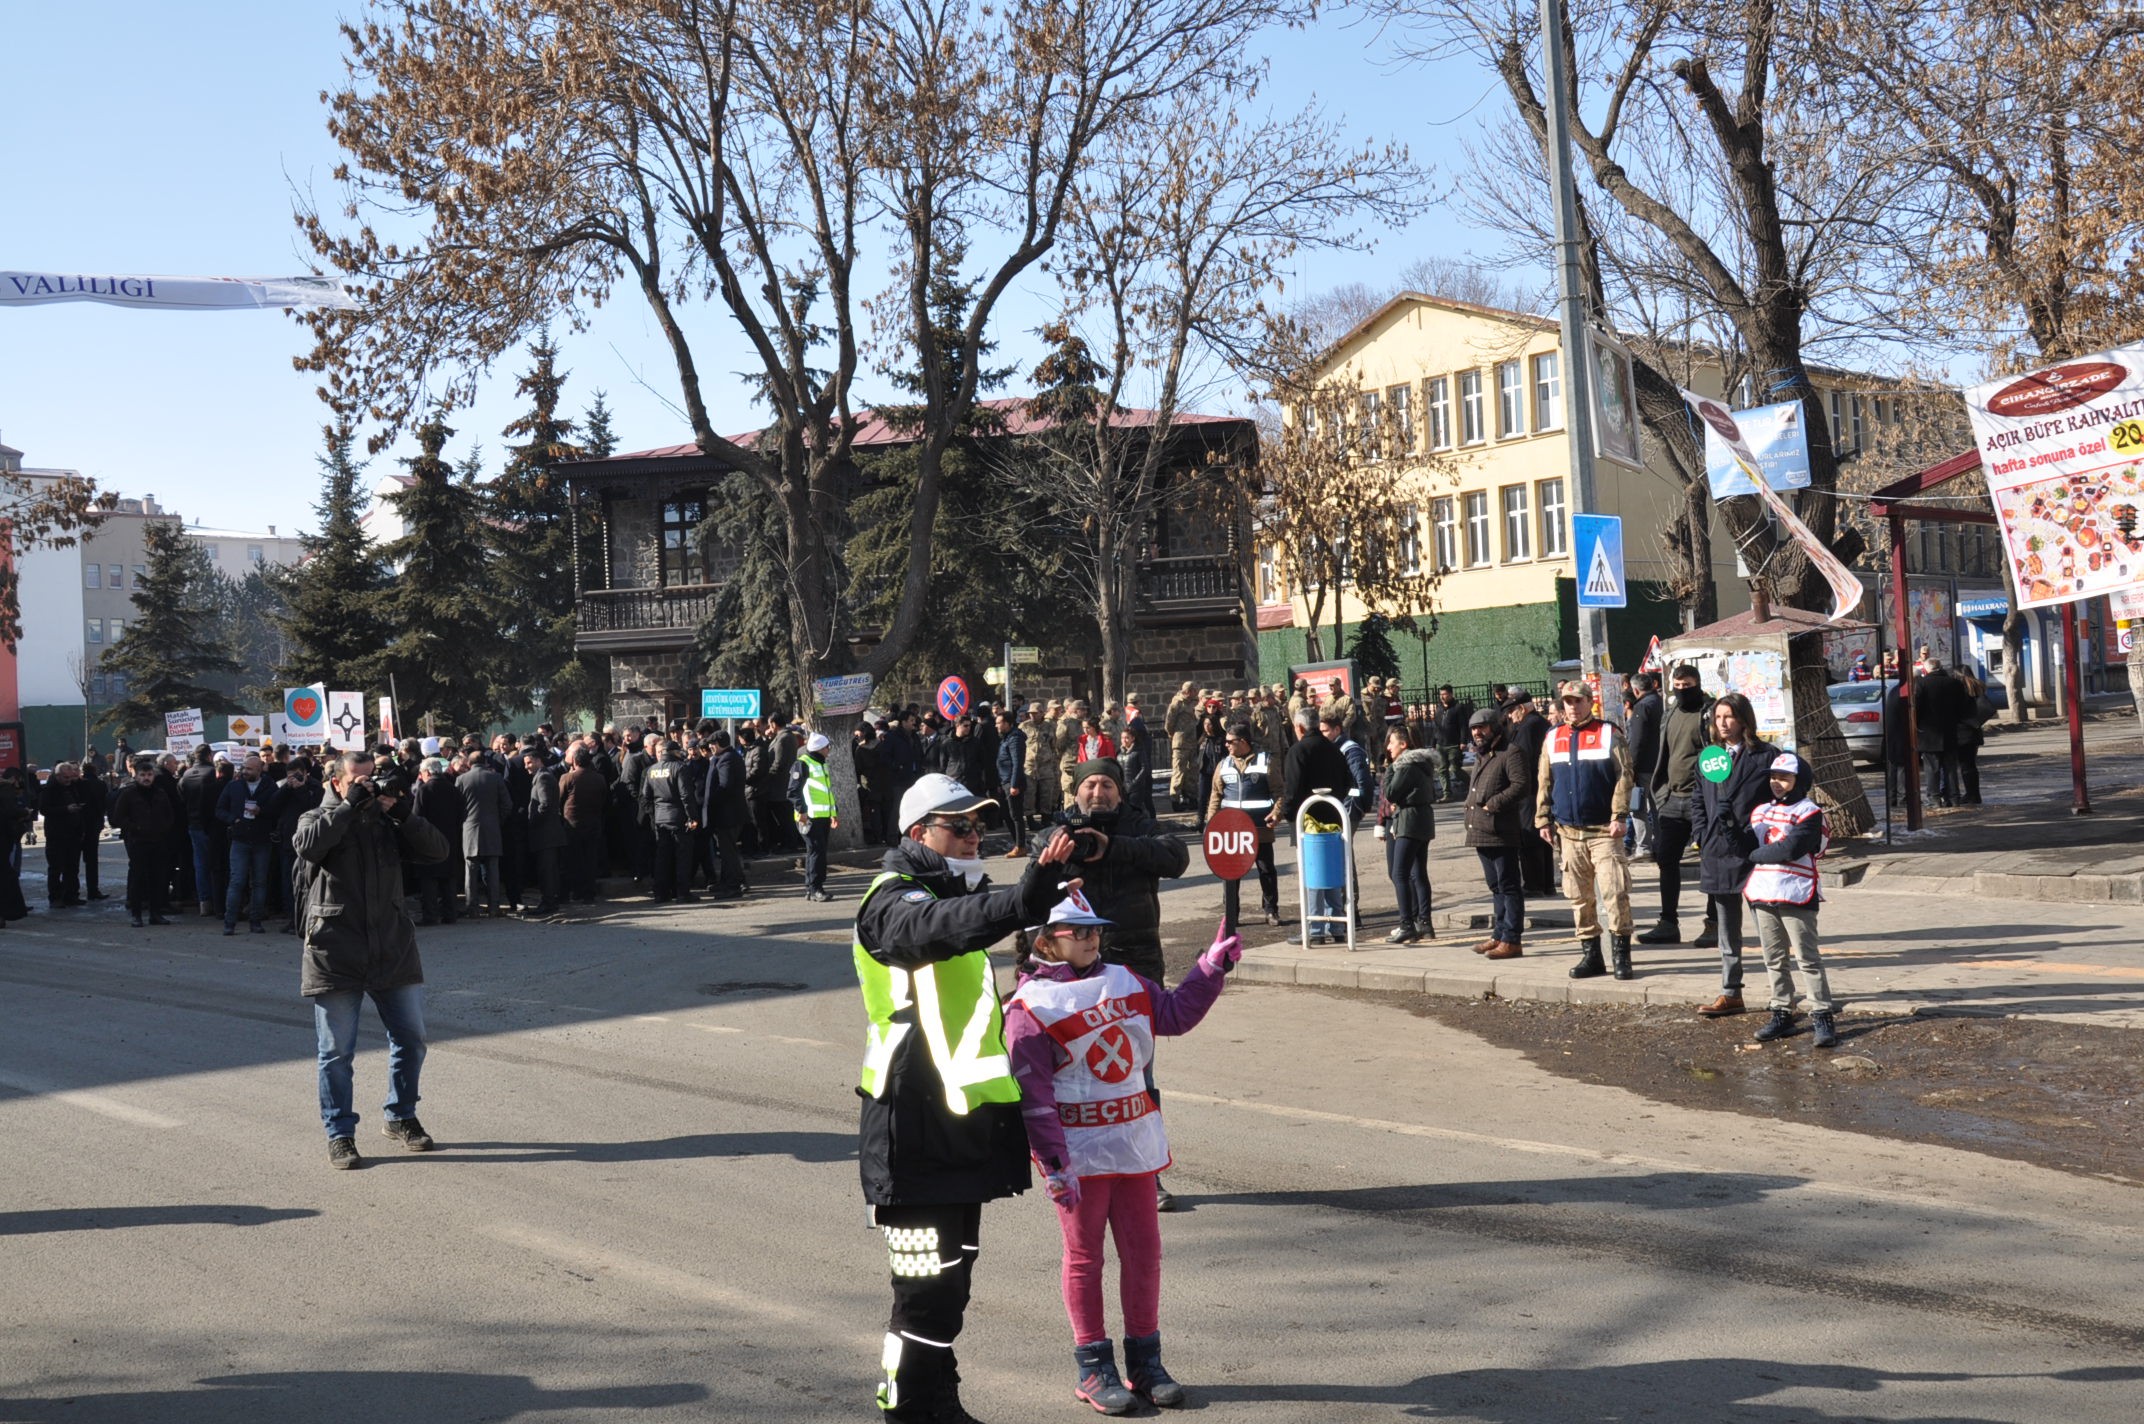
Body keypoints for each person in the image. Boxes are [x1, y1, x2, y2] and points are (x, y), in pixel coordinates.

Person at [852, 772, 1083, 1424]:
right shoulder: (890, 902)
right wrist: (1021, 899)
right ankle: (903, 1413)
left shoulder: (950, 893)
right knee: (924, 1296)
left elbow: (968, 925)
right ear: (917, 833)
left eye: (979, 827)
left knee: (950, 1291)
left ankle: (940, 1406)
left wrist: (1037, 898)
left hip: (959, 1134)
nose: (973, 837)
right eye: (960, 827)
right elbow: (943, 927)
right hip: (909, 1134)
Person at [1005, 894, 1238, 1414]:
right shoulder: (1030, 1007)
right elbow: (1034, 1097)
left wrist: (1210, 967)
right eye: (1078, 932)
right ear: (1046, 941)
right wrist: (1054, 1162)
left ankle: (1146, 1363)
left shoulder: (1126, 980)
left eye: (1094, 931)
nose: (1091, 939)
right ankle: (1092, 1367)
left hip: (1134, 1147)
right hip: (1078, 1157)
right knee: (1086, 1260)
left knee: (1145, 1258)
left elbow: (1175, 1015)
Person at [295, 753, 450, 1169]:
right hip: (335, 949)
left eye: (371, 779)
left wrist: (401, 810)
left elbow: (438, 851)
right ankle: (340, 1133)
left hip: (391, 947)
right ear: (335, 782)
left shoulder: (386, 822)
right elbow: (308, 849)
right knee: (336, 1052)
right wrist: (346, 808)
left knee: (411, 1040)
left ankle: (401, 1116)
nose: (367, 785)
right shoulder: (315, 816)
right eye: (357, 779)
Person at [1034, 759, 1189, 987]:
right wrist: (1056, 845)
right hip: (1072, 965)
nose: (1098, 793)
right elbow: (1029, 898)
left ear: (1119, 793)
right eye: (1090, 785)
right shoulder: (1058, 834)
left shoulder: (1139, 826)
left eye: (1107, 785)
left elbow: (1176, 858)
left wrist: (1114, 847)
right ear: (1076, 793)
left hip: (1135, 963)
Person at [1534, 682, 1636, 980]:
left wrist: (1619, 815)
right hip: (1569, 833)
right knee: (1579, 897)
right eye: (1567, 702)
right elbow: (1544, 780)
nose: (1572, 707)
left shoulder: (1608, 733)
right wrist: (1542, 819)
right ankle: (1591, 956)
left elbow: (1624, 776)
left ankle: (1621, 957)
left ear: (1589, 702)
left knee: (1615, 892)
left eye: (1578, 701)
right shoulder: (1553, 737)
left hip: (1605, 830)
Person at [1744, 751, 1839, 1048]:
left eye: (1784, 778)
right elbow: (1744, 842)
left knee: (1808, 959)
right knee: (1773, 959)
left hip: (1797, 892)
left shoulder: (1810, 812)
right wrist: (1726, 823)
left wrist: (1755, 854)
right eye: (1773, 777)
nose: (1777, 783)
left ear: (1799, 781)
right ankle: (1781, 1012)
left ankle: (1822, 1015)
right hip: (1763, 892)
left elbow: (1791, 848)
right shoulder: (1759, 811)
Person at [1693, 692, 1778, 1018]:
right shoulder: (1710, 757)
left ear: (1744, 719)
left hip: (1755, 851)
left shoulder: (1766, 755)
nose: (1723, 723)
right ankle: (1731, 992)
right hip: (1717, 850)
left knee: (1767, 926)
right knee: (1727, 930)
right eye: (1717, 718)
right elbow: (1698, 799)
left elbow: (1781, 796)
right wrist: (1701, 833)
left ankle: (1780, 994)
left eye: (1728, 716)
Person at [1640, 665, 1716, 948]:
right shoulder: (1670, 712)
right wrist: (1661, 794)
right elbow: (1665, 752)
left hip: (1703, 801)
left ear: (1698, 683)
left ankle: (1714, 923)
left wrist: (1713, 797)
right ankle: (1668, 923)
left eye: (1688, 685)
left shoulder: (1709, 713)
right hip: (1672, 799)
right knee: (1666, 860)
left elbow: (1719, 756)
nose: (1683, 690)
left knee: (1711, 862)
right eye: (1678, 686)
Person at [1270, 706, 1357, 946]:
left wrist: (1285, 814)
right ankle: (1337, 925)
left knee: (1312, 873)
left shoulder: (1298, 750)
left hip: (1307, 820)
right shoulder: (1333, 749)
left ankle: (1315, 928)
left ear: (1299, 727)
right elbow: (1348, 780)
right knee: (1332, 871)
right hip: (1335, 818)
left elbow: (1292, 789)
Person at [1462, 708, 1530, 959]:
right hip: (1480, 829)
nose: (1477, 733)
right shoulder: (1482, 754)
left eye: (1482, 727)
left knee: (1509, 885)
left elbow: (1521, 785)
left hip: (1502, 830)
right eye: (1473, 728)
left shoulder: (1510, 752)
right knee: (1495, 886)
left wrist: (1495, 803)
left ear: (1495, 728)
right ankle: (1499, 934)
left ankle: (1512, 939)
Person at [1206, 721, 1280, 927]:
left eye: (1230, 741)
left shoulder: (1266, 762)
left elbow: (1279, 792)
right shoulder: (1223, 765)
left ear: (1244, 742)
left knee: (1266, 870)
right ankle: (1231, 914)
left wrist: (1277, 813)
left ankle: (1271, 910)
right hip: (1232, 831)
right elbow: (1215, 796)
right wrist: (1211, 823)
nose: (1226, 745)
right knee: (1231, 873)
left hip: (1260, 828)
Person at [1379, 723, 1438, 943]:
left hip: (1409, 822)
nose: (1388, 748)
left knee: (1399, 873)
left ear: (1403, 745)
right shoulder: (1420, 763)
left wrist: (1390, 769)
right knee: (1418, 872)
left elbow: (1392, 792)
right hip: (1422, 820)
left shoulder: (1404, 765)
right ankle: (1425, 923)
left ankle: (1407, 924)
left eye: (1392, 743)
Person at [216, 751, 283, 935]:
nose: (245, 771)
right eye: (244, 767)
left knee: (259, 883)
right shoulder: (234, 786)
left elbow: (277, 810)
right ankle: (230, 922)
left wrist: (262, 811)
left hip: (262, 840)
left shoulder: (270, 787)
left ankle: (256, 920)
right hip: (240, 839)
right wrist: (233, 820)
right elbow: (220, 809)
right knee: (237, 881)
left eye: (250, 769)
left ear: (260, 770)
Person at [109, 756, 176, 927]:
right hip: (138, 842)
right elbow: (117, 818)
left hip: (158, 841)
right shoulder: (128, 794)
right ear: (136, 776)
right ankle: (136, 914)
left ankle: (155, 913)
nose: (146, 778)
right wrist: (135, 827)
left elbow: (169, 815)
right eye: (143, 775)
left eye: (149, 775)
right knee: (138, 879)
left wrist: (163, 828)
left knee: (157, 879)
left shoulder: (160, 793)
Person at [1503, 690, 1554, 897]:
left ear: (1521, 708)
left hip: (1530, 790)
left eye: (1511, 711)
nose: (1509, 716)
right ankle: (1546, 883)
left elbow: (1519, 759)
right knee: (1541, 834)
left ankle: (1534, 883)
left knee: (1529, 836)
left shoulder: (1528, 726)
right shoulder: (1537, 723)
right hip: (1537, 788)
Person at [411, 758, 466, 925]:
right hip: (450, 838)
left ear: (427, 772)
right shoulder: (453, 789)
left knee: (429, 879)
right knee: (448, 877)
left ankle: (431, 915)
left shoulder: (425, 790)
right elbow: (462, 813)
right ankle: (450, 914)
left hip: (429, 839)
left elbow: (417, 815)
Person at [641, 738, 696, 903]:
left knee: (662, 858)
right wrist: (692, 817)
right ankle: (682, 893)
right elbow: (686, 795)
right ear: (674, 753)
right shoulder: (680, 768)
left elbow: (646, 795)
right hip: (678, 818)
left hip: (660, 819)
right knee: (682, 857)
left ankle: (661, 893)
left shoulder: (651, 770)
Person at [457, 748, 511, 917]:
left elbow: (456, 806)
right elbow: (507, 804)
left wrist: (463, 821)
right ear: (486, 762)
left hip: (470, 829)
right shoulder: (495, 778)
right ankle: (494, 907)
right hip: (492, 828)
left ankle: (472, 907)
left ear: (469, 763)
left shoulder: (461, 779)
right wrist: (498, 820)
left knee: (470, 870)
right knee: (493, 869)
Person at [1913, 658, 1969, 808]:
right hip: (1950, 731)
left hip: (1928, 733)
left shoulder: (1921, 684)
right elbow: (1962, 708)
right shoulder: (1954, 683)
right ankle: (1954, 797)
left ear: (1926, 669)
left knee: (1932, 768)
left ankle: (1934, 799)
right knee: (1950, 767)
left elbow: (1916, 708)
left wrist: (1916, 725)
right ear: (1940, 667)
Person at [699, 729, 750, 898]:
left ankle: (733, 886)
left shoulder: (727, 759)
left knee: (728, 852)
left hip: (728, 815)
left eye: (713, 745)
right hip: (727, 814)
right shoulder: (726, 757)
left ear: (720, 744)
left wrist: (711, 800)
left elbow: (725, 786)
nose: (711, 748)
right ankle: (728, 881)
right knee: (728, 850)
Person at [790, 731, 836, 901]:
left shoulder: (821, 764)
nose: (828, 750)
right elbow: (793, 792)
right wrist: (802, 812)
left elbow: (827, 792)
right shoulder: (803, 764)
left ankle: (812, 888)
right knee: (817, 851)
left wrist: (833, 813)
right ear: (819, 748)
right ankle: (816, 888)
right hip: (808, 817)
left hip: (822, 816)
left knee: (816, 851)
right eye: (827, 747)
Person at [523, 747, 567, 916]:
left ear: (538, 761)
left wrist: (532, 821)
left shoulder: (543, 778)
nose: (526, 766)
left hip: (546, 835)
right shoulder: (542, 777)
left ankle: (549, 902)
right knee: (546, 870)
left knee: (547, 871)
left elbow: (545, 805)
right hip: (546, 834)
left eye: (529, 763)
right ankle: (549, 901)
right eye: (525, 763)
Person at [559, 745, 606, 902]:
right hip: (593, 822)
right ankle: (589, 892)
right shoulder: (599, 778)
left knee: (574, 860)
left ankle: (577, 891)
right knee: (590, 859)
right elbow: (604, 799)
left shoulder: (568, 778)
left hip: (573, 824)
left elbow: (559, 799)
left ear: (574, 761)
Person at [37, 763, 86, 908]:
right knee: (56, 867)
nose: (68, 780)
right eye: (65, 777)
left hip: (73, 833)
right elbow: (44, 809)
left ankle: (71, 895)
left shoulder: (72, 787)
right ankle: (55, 897)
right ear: (57, 776)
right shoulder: (48, 790)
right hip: (56, 835)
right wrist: (65, 809)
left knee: (72, 867)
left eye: (70, 777)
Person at [1623, 672, 1662, 855]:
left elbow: (1636, 741)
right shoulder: (1660, 702)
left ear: (1636, 690)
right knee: (1656, 807)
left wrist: (1631, 767)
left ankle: (1643, 847)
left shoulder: (1642, 707)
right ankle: (1660, 843)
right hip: (1660, 763)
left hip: (1644, 766)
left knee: (1637, 807)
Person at [993, 709, 1028, 858]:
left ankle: (1021, 846)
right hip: (1005, 781)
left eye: (999, 723)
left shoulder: (1015, 738)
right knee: (1007, 814)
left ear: (1007, 723)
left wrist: (1014, 785)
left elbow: (1017, 763)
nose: (996, 726)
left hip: (1013, 782)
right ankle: (1017, 843)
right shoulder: (1006, 737)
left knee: (1016, 815)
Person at [1956, 670, 1995, 805]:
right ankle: (1974, 793)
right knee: (1970, 765)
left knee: (1965, 765)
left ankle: (1971, 795)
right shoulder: (1977, 688)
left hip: (1962, 732)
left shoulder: (1961, 691)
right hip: (1974, 732)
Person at [1432, 685, 1474, 802]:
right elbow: (1436, 727)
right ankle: (1447, 794)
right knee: (1442, 769)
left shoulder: (1458, 707)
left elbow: (1463, 726)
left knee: (1455, 769)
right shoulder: (1439, 709)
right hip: (1441, 744)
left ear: (1451, 694)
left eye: (1444, 694)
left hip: (1454, 744)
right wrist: (1433, 743)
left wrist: (1463, 741)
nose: (1442, 697)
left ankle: (1473, 786)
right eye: (1441, 695)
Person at [1164, 682, 1200, 811]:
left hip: (1193, 742)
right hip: (1181, 742)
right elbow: (1169, 722)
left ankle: (1191, 798)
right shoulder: (1177, 703)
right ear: (1188, 691)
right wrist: (1173, 735)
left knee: (1192, 771)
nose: (1196, 692)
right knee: (1179, 771)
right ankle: (1175, 799)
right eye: (1194, 690)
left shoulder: (1195, 702)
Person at [1118, 698, 1154, 813]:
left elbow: (1145, 768)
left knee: (1142, 805)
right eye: (1122, 738)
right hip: (1124, 786)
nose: (1124, 740)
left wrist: (1134, 783)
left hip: (1138, 785)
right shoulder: (1119, 752)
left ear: (1133, 738)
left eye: (1127, 738)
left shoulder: (1139, 749)